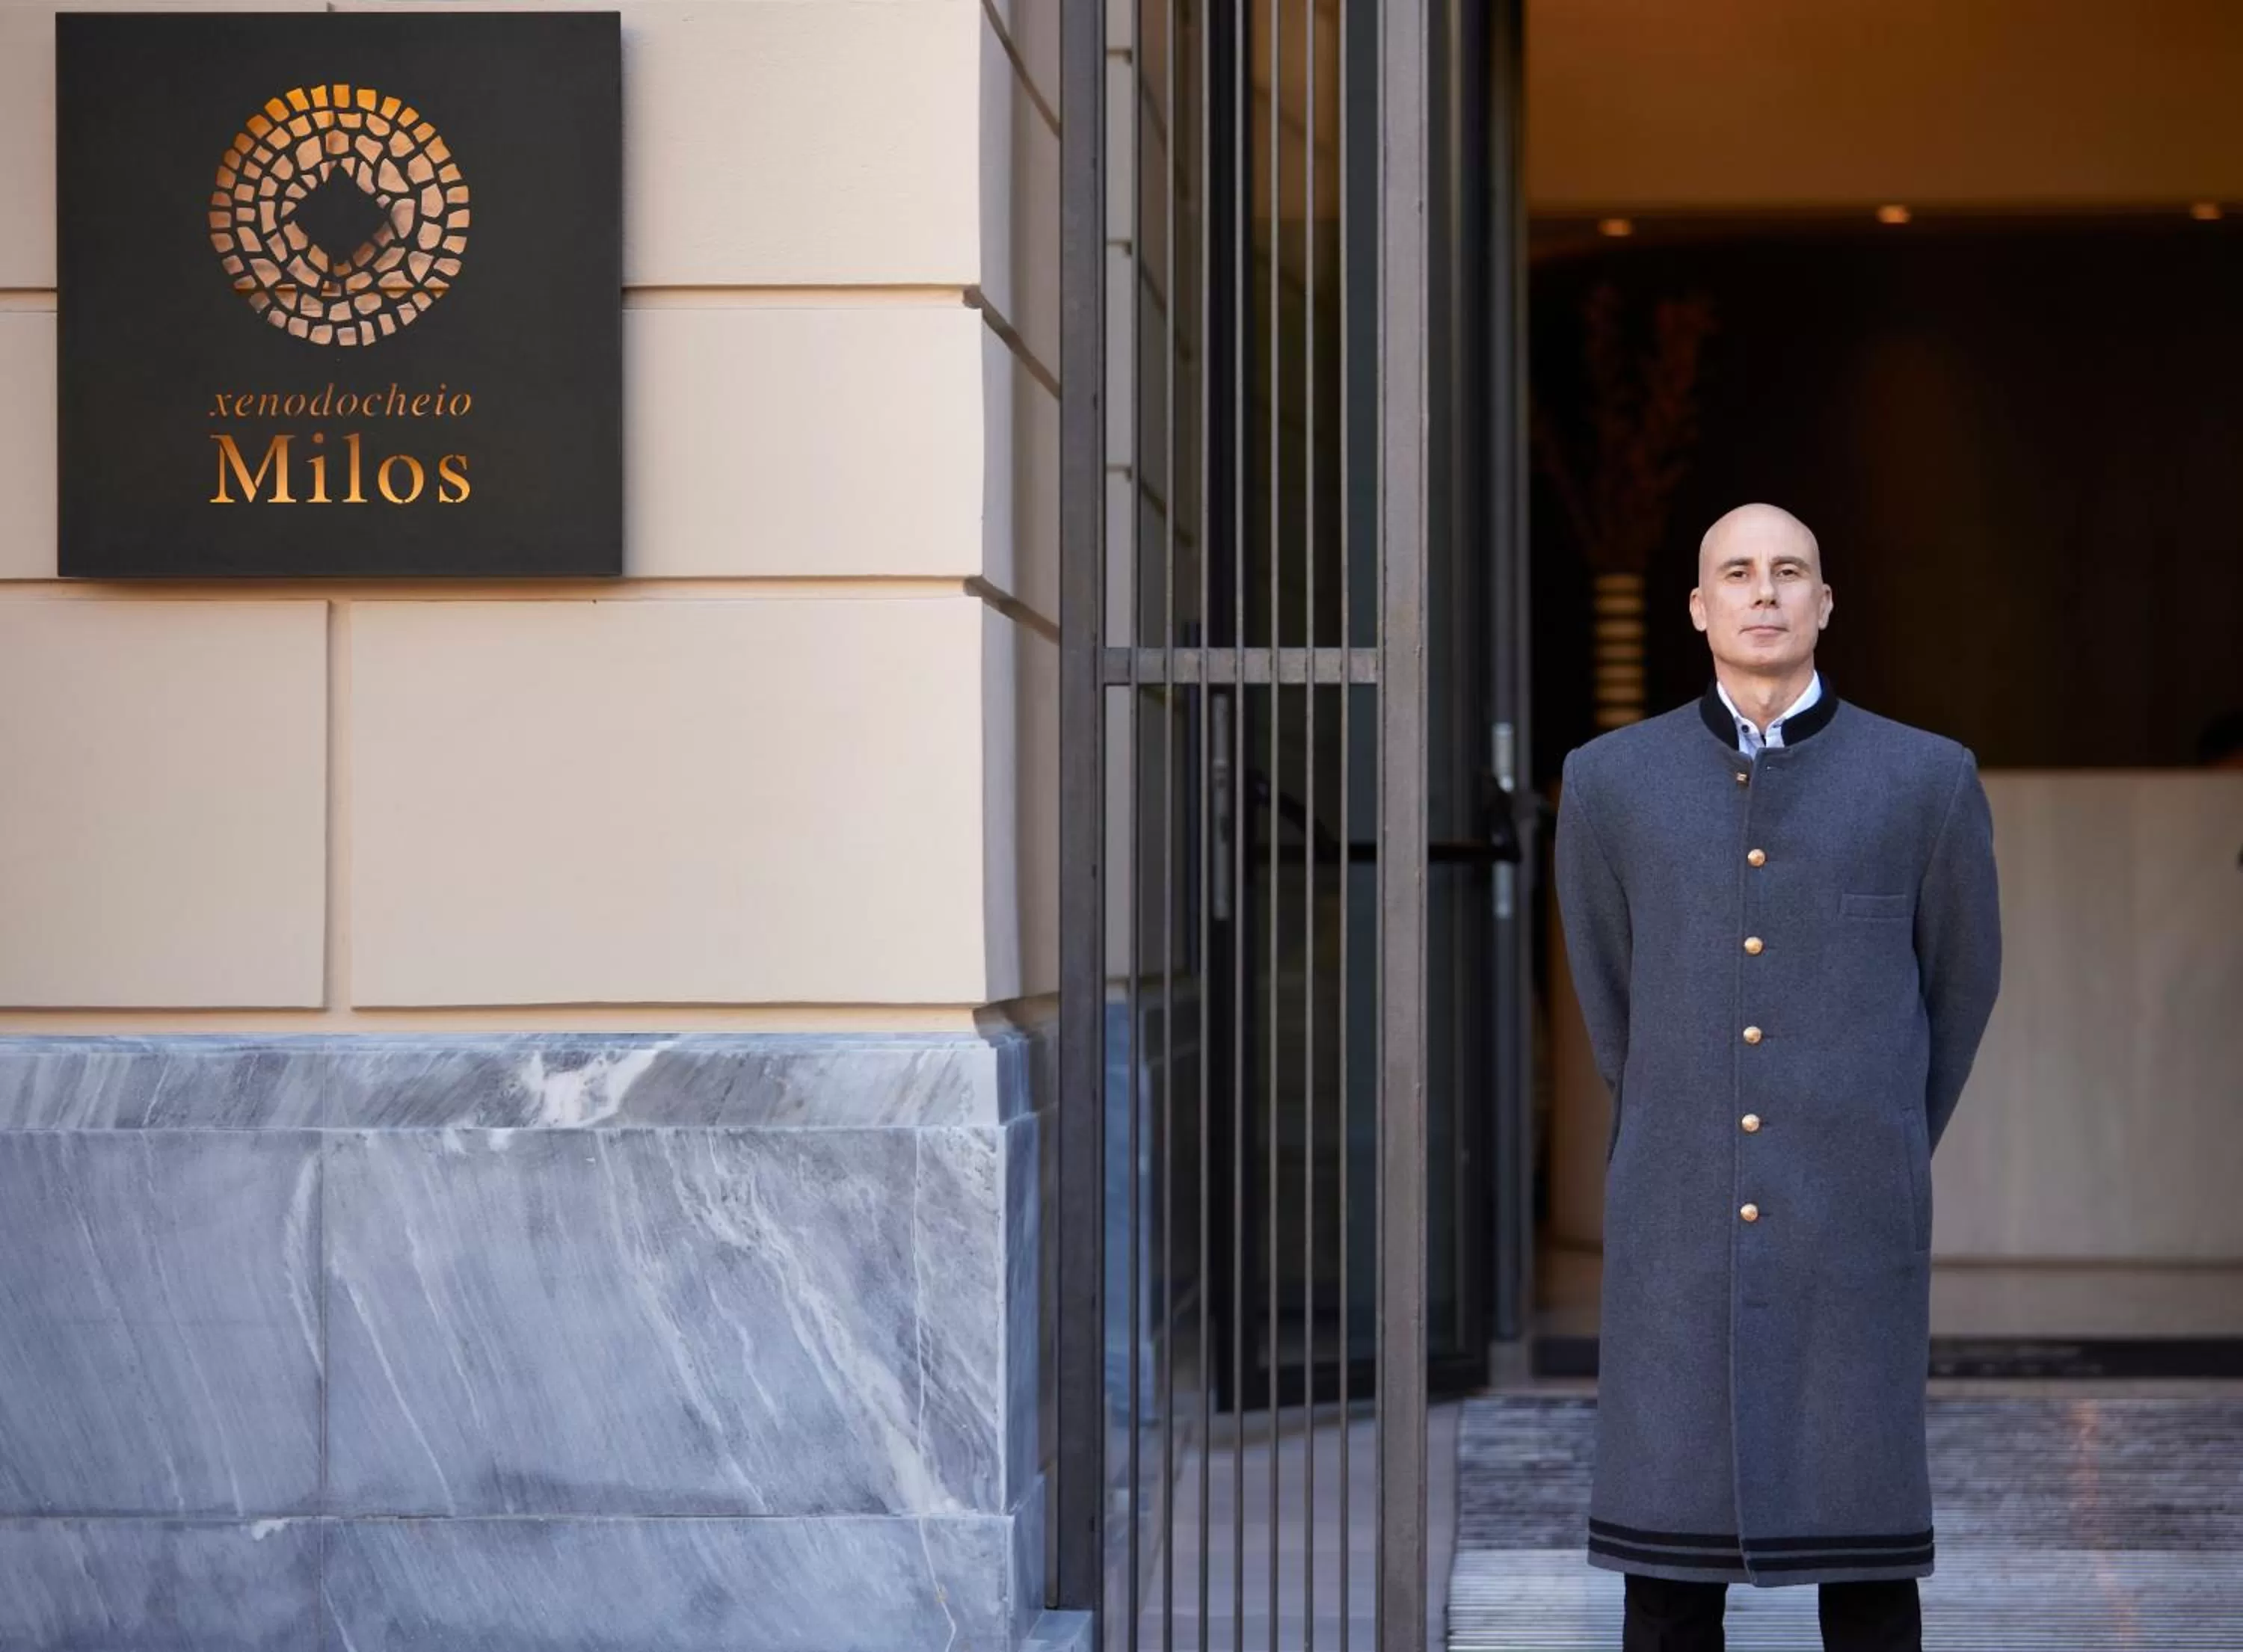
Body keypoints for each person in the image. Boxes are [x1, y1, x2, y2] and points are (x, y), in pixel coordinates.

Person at [1554, 503, 2003, 1652]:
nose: (1765, 592)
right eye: (1738, 573)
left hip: (1851, 1224)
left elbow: (1959, 989)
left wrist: (1877, 1133)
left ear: (1825, 602)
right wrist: (1685, 1117)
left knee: (1866, 1579)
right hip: (1677, 1219)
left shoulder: (1926, 779)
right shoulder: (1611, 782)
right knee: (1666, 1574)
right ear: (1699, 608)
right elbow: (1617, 999)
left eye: (1790, 571)